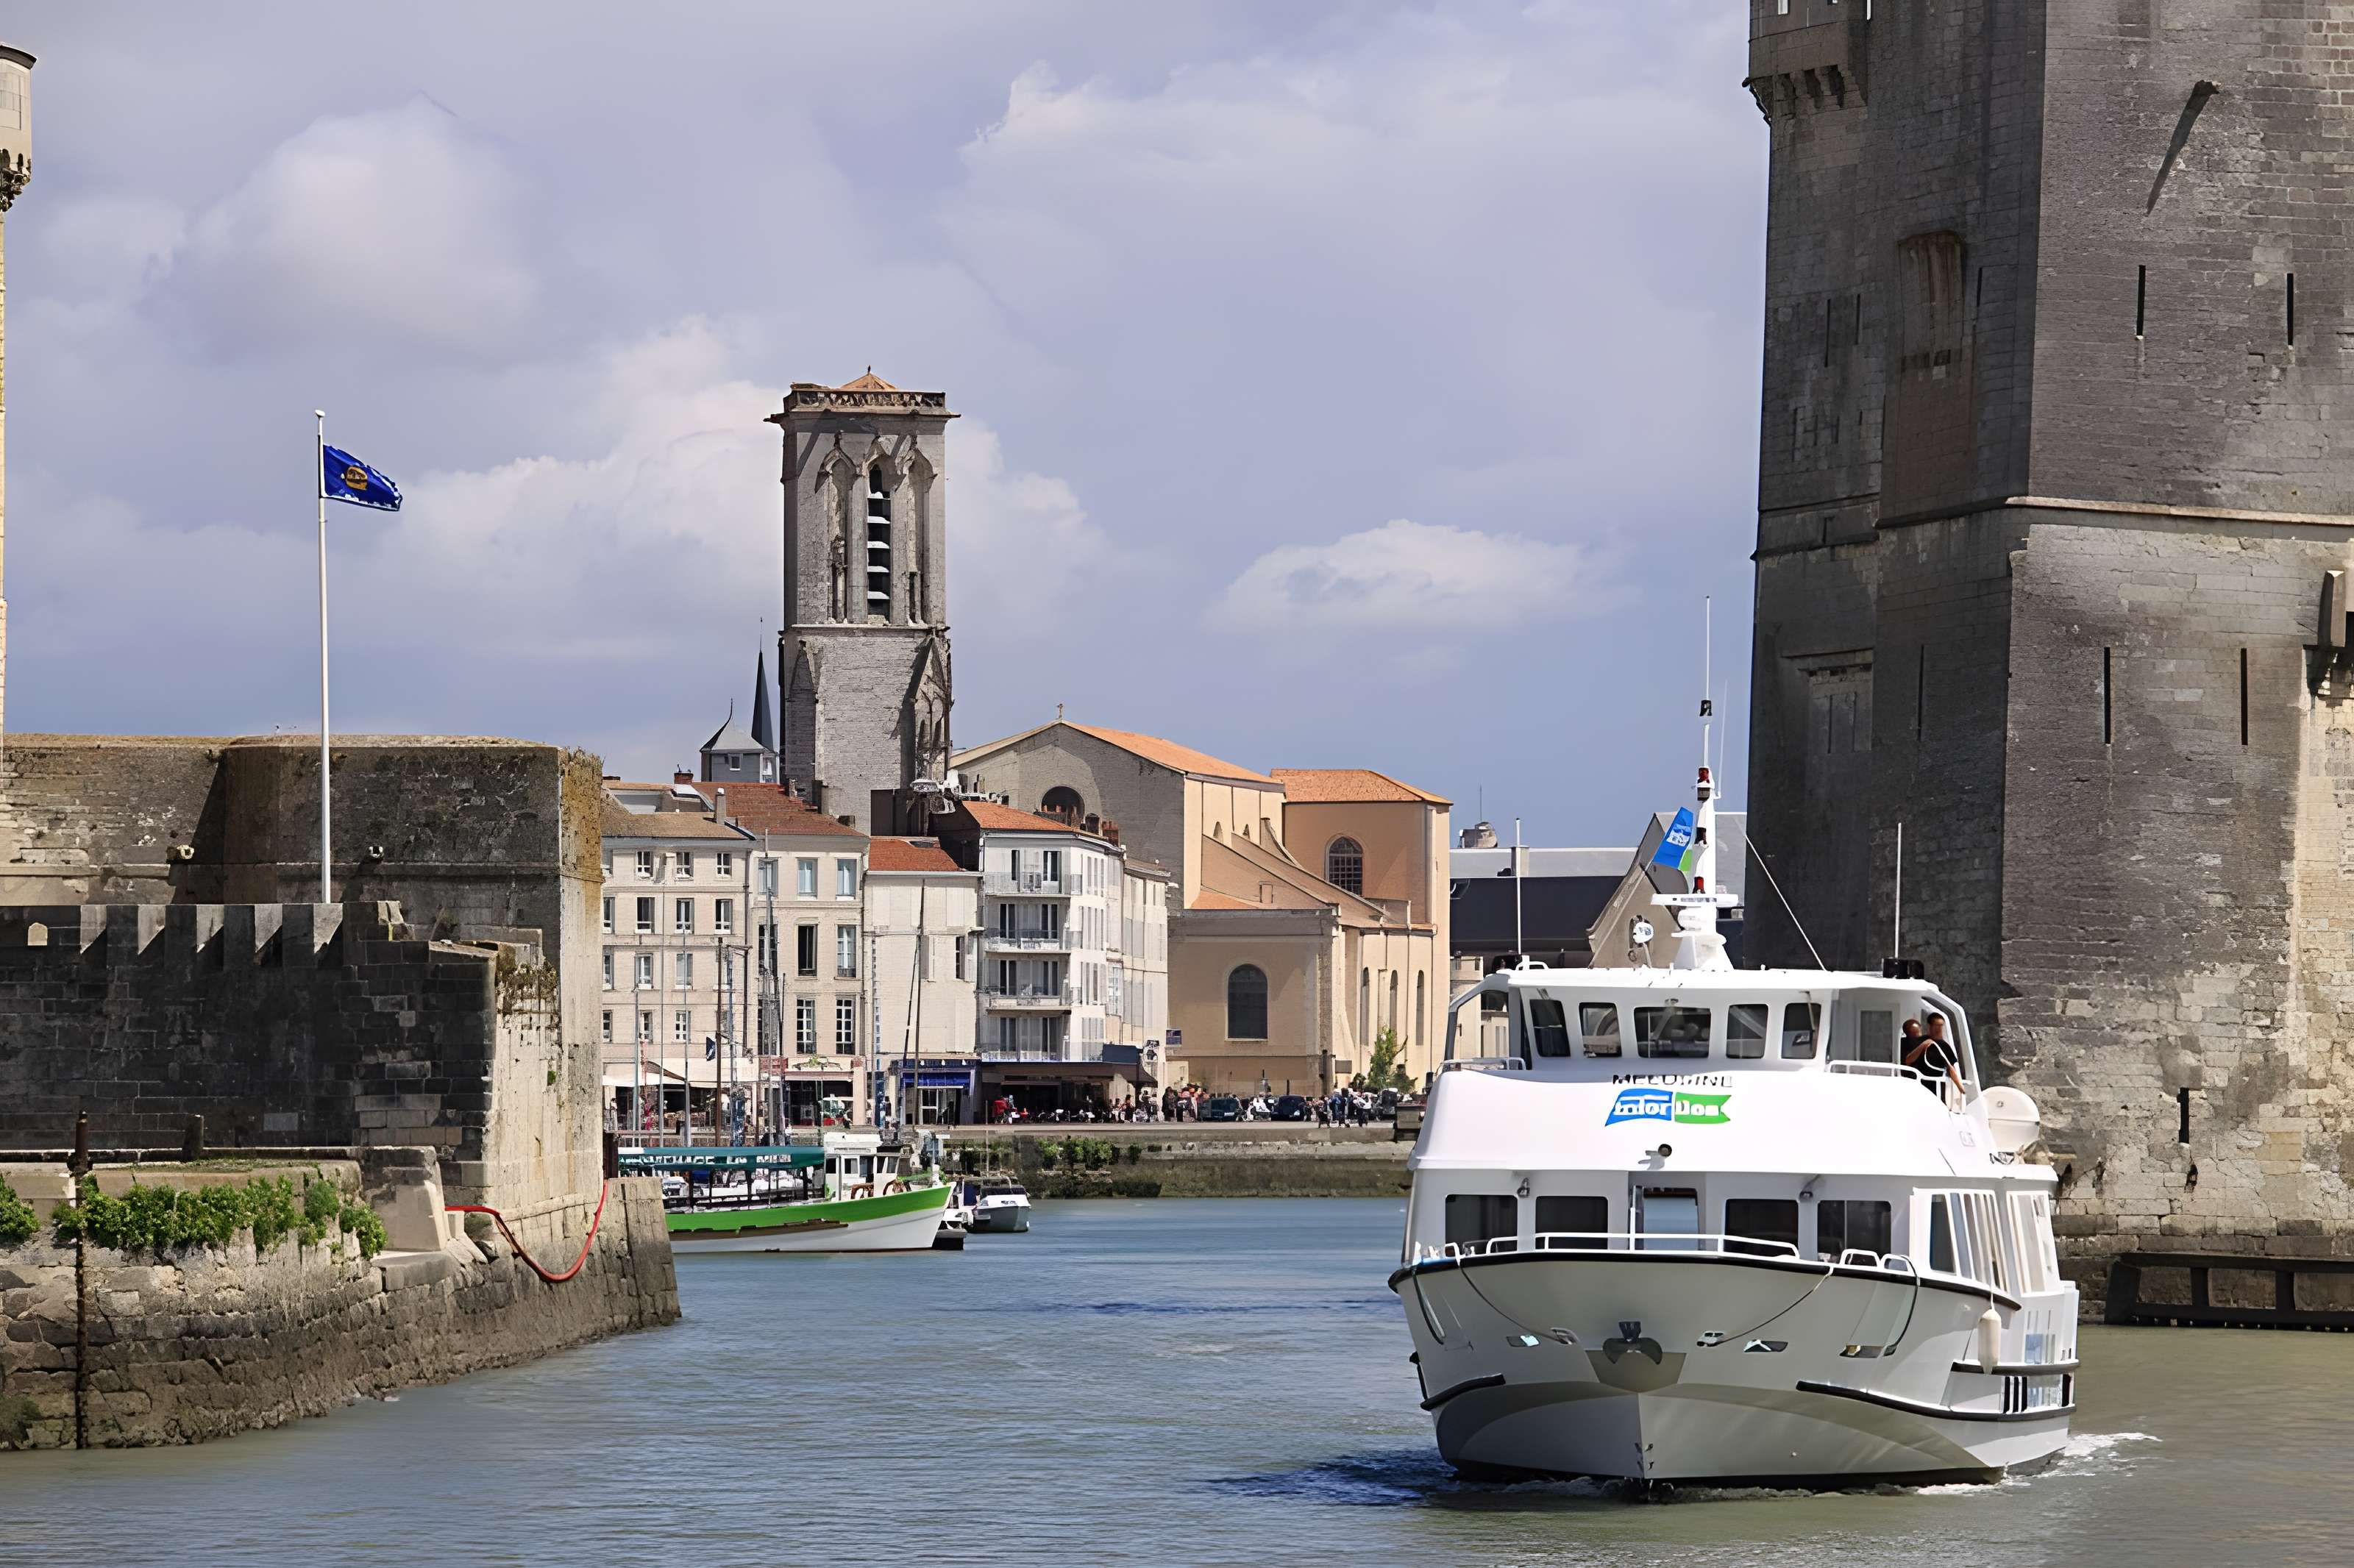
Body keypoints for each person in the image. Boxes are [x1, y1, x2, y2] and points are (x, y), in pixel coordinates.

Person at [1905, 1013, 1963, 1098]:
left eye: (1941, 1025)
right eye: (1936, 1025)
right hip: (1918, 1088)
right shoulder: (1917, 1042)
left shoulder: (1945, 1046)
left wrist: (1960, 1088)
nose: (1939, 1029)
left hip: (1937, 1091)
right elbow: (1908, 1061)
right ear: (1930, 1026)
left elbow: (1951, 1068)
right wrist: (1924, 1045)